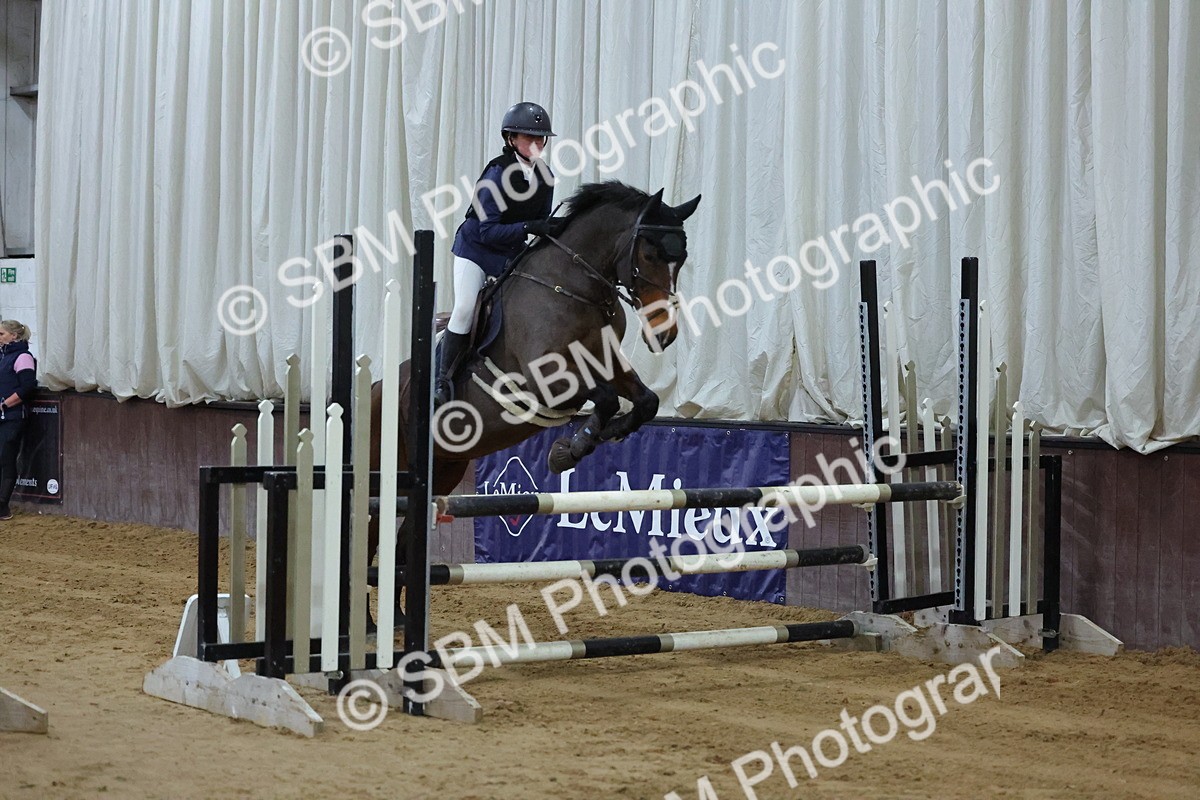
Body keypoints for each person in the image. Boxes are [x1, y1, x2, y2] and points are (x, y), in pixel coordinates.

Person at [440, 101, 567, 406]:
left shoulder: (545, 177)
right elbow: (487, 231)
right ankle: (442, 379)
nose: (537, 144)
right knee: (465, 309)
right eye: (529, 138)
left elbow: (538, 224)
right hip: (476, 250)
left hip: (509, 252)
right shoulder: (496, 173)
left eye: (541, 139)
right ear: (511, 139)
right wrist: (529, 227)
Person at [0, 320, 36, 520]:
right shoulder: (2, 356)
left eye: (2, 334)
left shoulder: (23, 357)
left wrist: (5, 404)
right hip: (3, 415)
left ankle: (3, 505)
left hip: (13, 416)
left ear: (14, 336)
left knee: (6, 458)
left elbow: (26, 387)